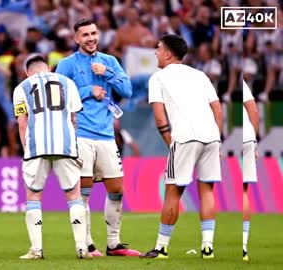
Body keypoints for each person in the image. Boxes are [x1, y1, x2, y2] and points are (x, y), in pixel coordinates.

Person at [55, 18, 140, 257]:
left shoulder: (109, 61)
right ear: (76, 39)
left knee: (117, 189)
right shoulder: (66, 64)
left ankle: (114, 244)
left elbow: (127, 91)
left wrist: (108, 74)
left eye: (93, 33)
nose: (90, 38)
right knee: (84, 191)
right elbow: (58, 97)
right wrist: (86, 91)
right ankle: (89, 244)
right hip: (80, 134)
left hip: (106, 135)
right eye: (85, 35)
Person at [139, 35, 223, 259]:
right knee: (206, 191)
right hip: (211, 137)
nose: (155, 52)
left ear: (167, 53)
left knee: (172, 193)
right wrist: (217, 138)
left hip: (184, 138)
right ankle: (207, 248)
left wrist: (171, 144)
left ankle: (161, 248)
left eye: (158, 49)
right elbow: (217, 110)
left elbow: (159, 117)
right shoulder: (200, 75)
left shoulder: (158, 78)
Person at [14, 54, 91, 259]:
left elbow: (22, 123)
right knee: (74, 196)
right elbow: (74, 118)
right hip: (65, 145)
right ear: (49, 68)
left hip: (36, 147)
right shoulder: (68, 83)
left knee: (33, 197)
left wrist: (26, 149)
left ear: (27, 72)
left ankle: (36, 250)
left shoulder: (21, 87)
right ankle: (82, 248)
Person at [242, 79, 259, 261]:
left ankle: (208, 244)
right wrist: (253, 141)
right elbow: (253, 109)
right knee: (243, 191)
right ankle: (243, 246)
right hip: (246, 138)